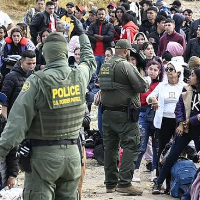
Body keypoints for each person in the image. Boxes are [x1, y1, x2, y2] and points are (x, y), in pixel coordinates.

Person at [0, 16, 96, 200]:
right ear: (64, 52)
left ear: (46, 53)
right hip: (73, 156)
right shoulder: (80, 75)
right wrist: (82, 35)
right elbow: (89, 61)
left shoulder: (37, 81)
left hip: (44, 158)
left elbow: (16, 125)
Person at [99, 39, 149, 195]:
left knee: (111, 148)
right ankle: (125, 183)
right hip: (124, 114)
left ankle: (110, 183)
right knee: (132, 145)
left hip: (107, 113)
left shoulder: (105, 65)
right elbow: (142, 86)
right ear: (127, 51)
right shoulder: (125, 65)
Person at [152, 67, 200, 194]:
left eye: (193, 75)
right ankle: (158, 183)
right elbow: (179, 108)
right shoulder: (186, 90)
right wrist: (180, 123)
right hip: (184, 129)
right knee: (171, 156)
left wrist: (191, 121)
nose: (190, 77)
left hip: (198, 131)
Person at [146, 61, 184, 178]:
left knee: (179, 149)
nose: (168, 72)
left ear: (178, 72)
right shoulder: (162, 85)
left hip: (179, 121)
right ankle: (159, 177)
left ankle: (176, 176)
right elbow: (149, 97)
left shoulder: (183, 86)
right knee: (162, 148)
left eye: (171, 69)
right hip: (164, 120)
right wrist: (153, 100)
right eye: (167, 69)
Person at [133, 60, 163, 183]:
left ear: (159, 72)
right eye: (151, 69)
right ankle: (135, 170)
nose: (152, 72)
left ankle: (154, 171)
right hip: (143, 113)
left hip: (157, 114)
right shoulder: (142, 82)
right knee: (141, 145)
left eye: (156, 70)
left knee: (156, 146)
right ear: (146, 69)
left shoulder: (161, 85)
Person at [1, 50, 36, 118]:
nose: (32, 66)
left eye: (34, 63)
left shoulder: (35, 76)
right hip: (14, 117)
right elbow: (4, 101)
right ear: (21, 62)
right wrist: (5, 121)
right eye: (28, 64)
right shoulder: (11, 77)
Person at [87, 8, 114, 75]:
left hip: (105, 55)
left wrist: (96, 36)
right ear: (96, 15)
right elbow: (89, 36)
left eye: (102, 14)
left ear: (105, 15)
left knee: (105, 74)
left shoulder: (110, 25)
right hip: (94, 54)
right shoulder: (92, 25)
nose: (101, 16)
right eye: (99, 14)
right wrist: (102, 38)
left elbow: (110, 37)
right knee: (94, 74)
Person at [0, 92, 19, 190]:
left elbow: (13, 152)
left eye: (0, 103)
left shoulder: (6, 126)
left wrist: (12, 175)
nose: (0, 106)